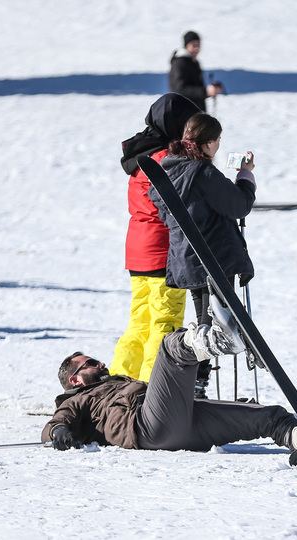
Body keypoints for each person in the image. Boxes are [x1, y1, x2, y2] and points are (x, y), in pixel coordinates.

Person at [42, 304, 297, 453]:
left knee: (267, 416)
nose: (100, 363)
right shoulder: (77, 399)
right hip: (145, 428)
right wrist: (58, 432)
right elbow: (56, 423)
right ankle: (216, 340)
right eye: (90, 364)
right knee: (169, 348)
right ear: (75, 380)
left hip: (181, 425)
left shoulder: (115, 382)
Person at [151, 112, 256, 398]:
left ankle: (197, 385)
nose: (219, 145)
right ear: (208, 143)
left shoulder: (167, 171)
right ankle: (197, 387)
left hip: (187, 258)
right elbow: (238, 205)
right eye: (218, 140)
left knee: (204, 322)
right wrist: (245, 175)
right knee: (218, 325)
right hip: (215, 258)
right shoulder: (203, 173)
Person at [113, 93, 202, 383]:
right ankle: (151, 391)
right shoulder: (166, 159)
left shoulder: (142, 156)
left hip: (138, 250)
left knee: (139, 323)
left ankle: (117, 386)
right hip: (164, 250)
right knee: (164, 323)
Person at [169, 30, 223, 112]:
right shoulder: (179, 63)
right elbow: (179, 89)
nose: (197, 49)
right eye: (193, 45)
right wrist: (205, 91)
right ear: (186, 46)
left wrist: (210, 91)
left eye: (198, 45)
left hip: (195, 112)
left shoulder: (194, 62)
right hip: (183, 113)